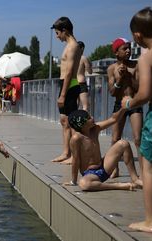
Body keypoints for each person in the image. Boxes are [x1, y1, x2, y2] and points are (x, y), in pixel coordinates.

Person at [121, 7, 152, 233]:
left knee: (150, 168)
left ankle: (151, 222)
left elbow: (145, 94)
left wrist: (129, 102)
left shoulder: (147, 58)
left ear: (137, 36)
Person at [64, 109, 142, 191]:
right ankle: (119, 186)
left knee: (123, 144)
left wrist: (124, 108)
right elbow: (76, 160)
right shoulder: (76, 139)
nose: (92, 117)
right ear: (82, 124)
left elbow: (113, 119)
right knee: (84, 184)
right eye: (89, 117)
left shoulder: (95, 129)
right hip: (90, 174)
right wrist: (73, 180)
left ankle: (135, 179)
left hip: (104, 167)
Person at [107, 37, 142, 178]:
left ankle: (144, 171)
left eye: (129, 48)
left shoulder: (136, 65)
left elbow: (139, 88)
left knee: (138, 139)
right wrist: (120, 79)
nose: (128, 50)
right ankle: (114, 169)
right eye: (124, 48)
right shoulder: (111, 69)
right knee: (115, 139)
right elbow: (112, 92)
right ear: (117, 52)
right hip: (119, 104)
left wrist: (128, 76)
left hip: (134, 103)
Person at [50, 17, 82, 164]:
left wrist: (63, 94)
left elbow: (69, 72)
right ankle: (66, 152)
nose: (57, 36)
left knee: (72, 121)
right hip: (66, 83)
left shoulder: (73, 46)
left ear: (65, 30)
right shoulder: (69, 45)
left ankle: (75, 155)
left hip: (70, 84)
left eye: (58, 33)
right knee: (64, 120)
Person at [77, 41, 92, 111]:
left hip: (73, 82)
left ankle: (73, 121)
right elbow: (90, 72)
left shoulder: (72, 58)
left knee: (75, 106)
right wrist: (89, 64)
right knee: (85, 106)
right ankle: (84, 122)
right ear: (82, 48)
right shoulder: (83, 58)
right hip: (81, 83)